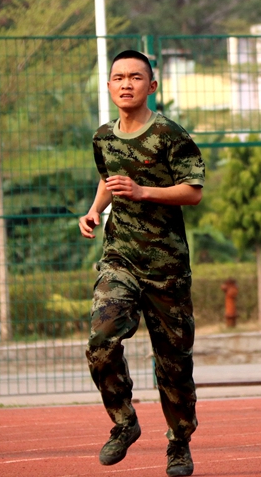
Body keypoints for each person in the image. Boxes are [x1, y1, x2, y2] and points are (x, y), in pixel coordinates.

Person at [78, 50, 204, 476]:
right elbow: (108, 179)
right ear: (109, 86)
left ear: (152, 86)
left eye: (135, 77)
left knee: (174, 367)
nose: (126, 83)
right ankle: (124, 422)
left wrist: (144, 192)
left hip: (167, 268)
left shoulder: (170, 133)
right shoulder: (103, 138)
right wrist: (96, 209)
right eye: (118, 77)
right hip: (120, 259)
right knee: (101, 340)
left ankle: (179, 443)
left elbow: (193, 191)